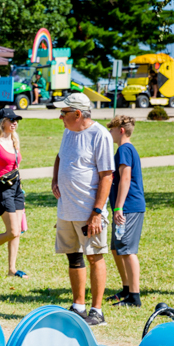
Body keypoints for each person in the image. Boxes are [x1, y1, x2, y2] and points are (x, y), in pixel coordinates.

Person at [50, 93, 114, 326]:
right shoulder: (68, 132)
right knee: (73, 256)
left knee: (95, 256)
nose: (60, 117)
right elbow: (60, 157)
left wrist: (96, 213)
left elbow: (107, 175)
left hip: (89, 212)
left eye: (64, 113)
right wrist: (55, 179)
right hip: (67, 209)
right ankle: (78, 306)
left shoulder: (100, 135)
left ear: (78, 114)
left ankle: (96, 311)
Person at [0, 108, 28, 279]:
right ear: (2, 122)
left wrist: (20, 188)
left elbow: (16, 166)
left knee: (17, 232)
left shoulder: (15, 140)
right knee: (13, 231)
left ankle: (12, 269)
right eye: (11, 120)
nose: (15, 122)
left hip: (16, 187)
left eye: (16, 120)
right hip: (2, 189)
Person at [106, 116, 145, 307]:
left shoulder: (124, 149)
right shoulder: (125, 149)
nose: (109, 133)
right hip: (123, 207)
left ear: (120, 130)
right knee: (117, 248)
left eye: (111, 129)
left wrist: (119, 206)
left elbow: (126, 178)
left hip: (128, 207)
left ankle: (134, 297)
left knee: (128, 250)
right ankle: (127, 288)